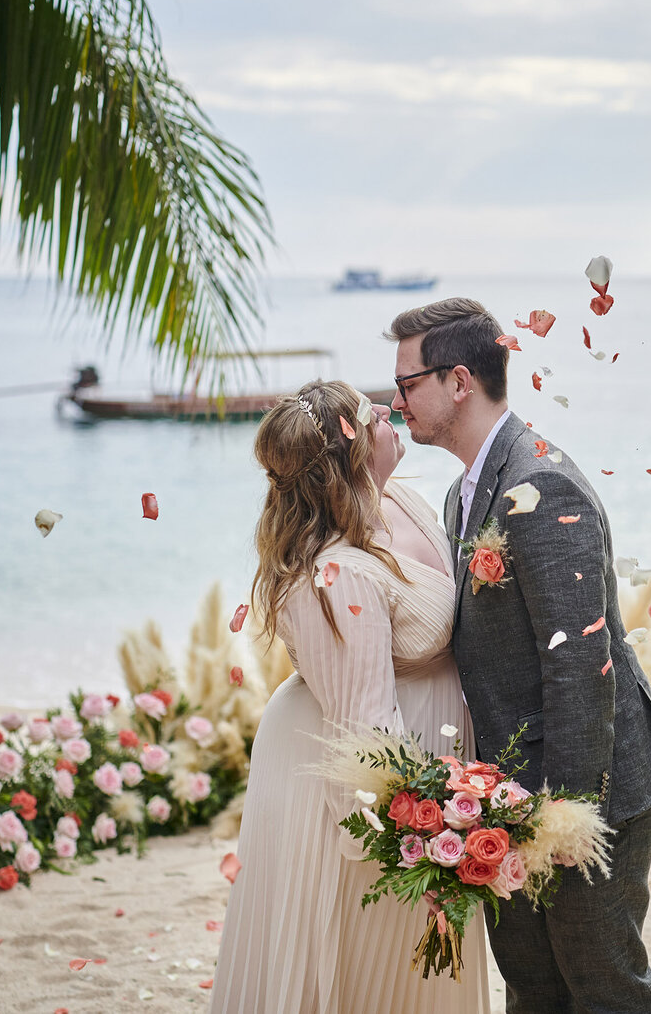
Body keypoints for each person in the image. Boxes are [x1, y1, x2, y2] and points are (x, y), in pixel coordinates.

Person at [386, 298, 651, 1013]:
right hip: (510, 793)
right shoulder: (465, 493)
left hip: (586, 789)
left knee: (604, 988)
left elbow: (580, 666)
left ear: (458, 381)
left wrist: (566, 817)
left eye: (406, 384)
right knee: (532, 986)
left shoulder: (541, 486)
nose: (396, 402)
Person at [209, 380, 489, 1014]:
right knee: (372, 963)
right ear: (353, 451)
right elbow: (364, 732)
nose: (389, 411)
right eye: (372, 414)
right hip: (359, 783)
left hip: (420, 749)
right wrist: (419, 843)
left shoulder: (408, 502)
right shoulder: (338, 572)